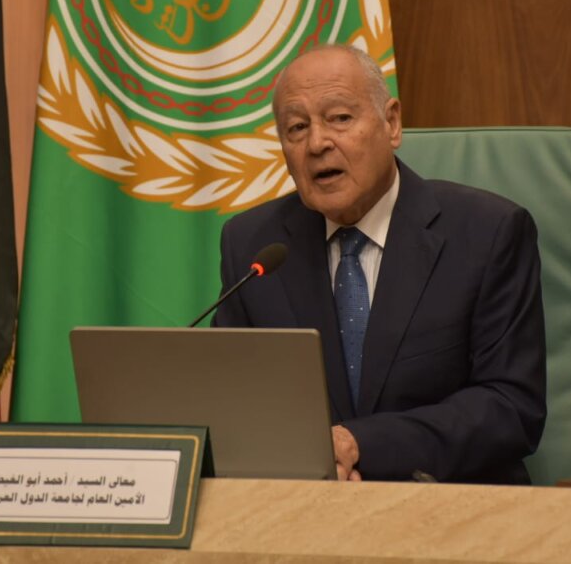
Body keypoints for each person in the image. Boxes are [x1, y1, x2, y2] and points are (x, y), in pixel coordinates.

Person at [213, 45, 546, 483]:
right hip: (306, 505)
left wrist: (361, 444)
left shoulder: (488, 233)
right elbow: (232, 400)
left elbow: (511, 408)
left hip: (451, 503)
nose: (317, 143)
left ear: (391, 123)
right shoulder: (254, 246)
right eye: (296, 128)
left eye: (339, 118)